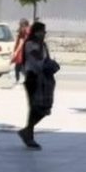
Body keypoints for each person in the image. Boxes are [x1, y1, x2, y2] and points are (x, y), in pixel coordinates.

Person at [18, 21, 55, 149]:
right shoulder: (30, 44)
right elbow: (37, 56)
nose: (44, 34)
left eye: (44, 32)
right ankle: (29, 135)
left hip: (43, 78)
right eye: (42, 32)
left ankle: (27, 131)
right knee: (34, 108)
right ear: (36, 32)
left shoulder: (43, 45)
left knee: (44, 108)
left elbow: (45, 59)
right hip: (32, 78)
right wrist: (40, 44)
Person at [11, 18, 30, 87]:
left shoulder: (25, 32)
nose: (20, 26)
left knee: (19, 67)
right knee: (20, 67)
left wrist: (16, 52)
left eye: (21, 25)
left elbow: (21, 43)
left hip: (22, 52)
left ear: (24, 25)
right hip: (25, 51)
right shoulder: (27, 31)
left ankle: (19, 81)